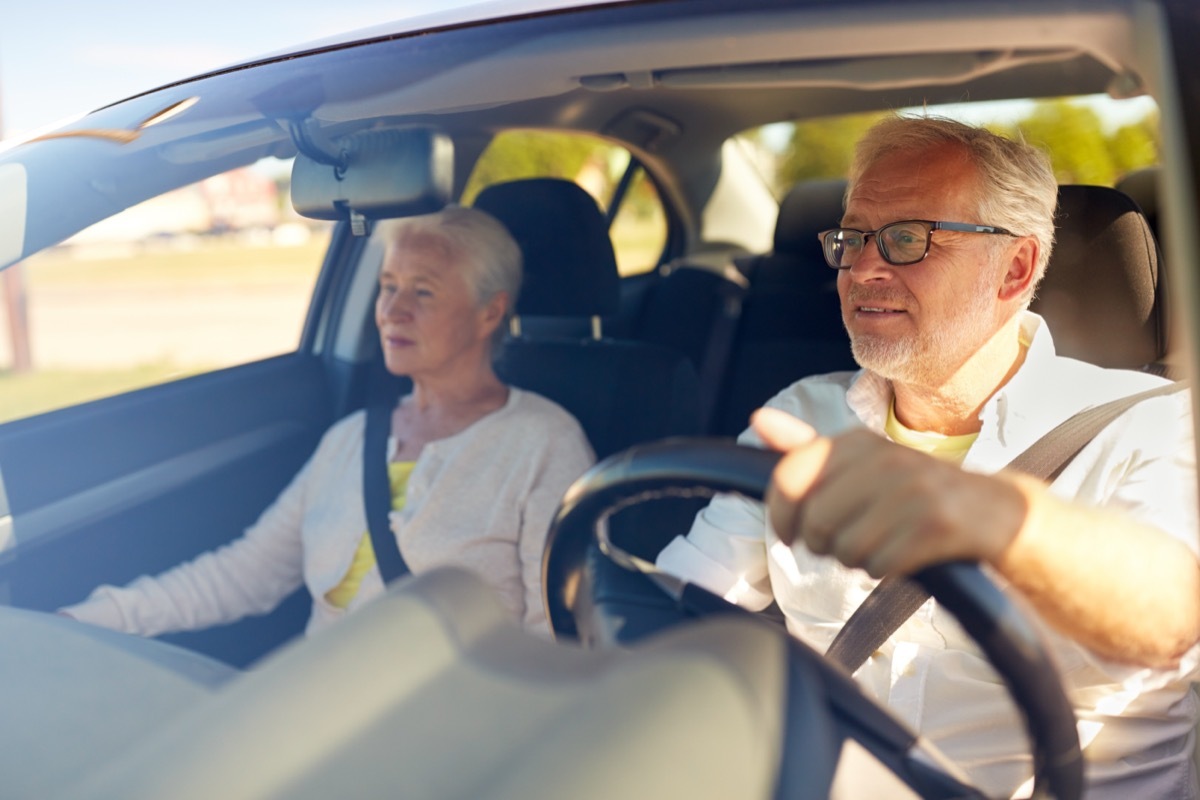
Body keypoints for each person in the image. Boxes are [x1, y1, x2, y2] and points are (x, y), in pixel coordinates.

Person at [656, 115, 1200, 798]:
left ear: (1016, 268)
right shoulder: (802, 416)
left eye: (907, 238)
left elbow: (1172, 616)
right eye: (853, 238)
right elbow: (676, 612)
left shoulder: (1157, 424)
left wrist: (994, 518)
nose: (863, 268)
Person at [62, 206, 595, 637]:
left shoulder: (544, 443)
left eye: (423, 291)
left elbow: (550, 633)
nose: (391, 310)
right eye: (389, 286)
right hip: (312, 702)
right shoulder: (352, 439)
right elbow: (243, 574)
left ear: (489, 312)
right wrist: (89, 619)